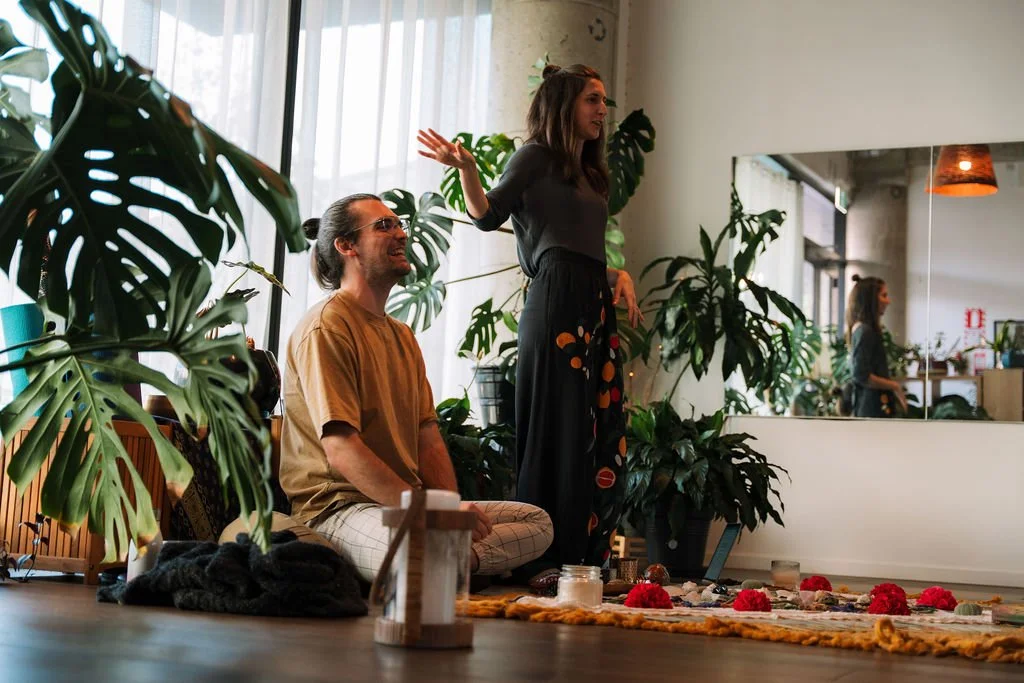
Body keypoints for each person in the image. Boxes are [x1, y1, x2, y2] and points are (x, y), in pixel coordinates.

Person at [417, 63, 642, 573]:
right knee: (559, 429)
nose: (601, 111)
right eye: (591, 99)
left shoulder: (591, 175)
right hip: (556, 305)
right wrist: (467, 170)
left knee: (600, 432)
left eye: (603, 101)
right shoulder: (535, 157)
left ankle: (583, 560)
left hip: (592, 306)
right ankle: (545, 557)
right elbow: (487, 214)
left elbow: (578, 250)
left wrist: (615, 276)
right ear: (564, 105)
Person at [279, 193, 553, 584]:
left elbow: (428, 437)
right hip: (340, 510)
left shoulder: (402, 336)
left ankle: (451, 564)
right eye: (384, 225)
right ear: (346, 246)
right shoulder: (327, 327)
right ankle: (450, 565)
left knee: (536, 521)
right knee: (417, 552)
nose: (401, 233)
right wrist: (427, 512)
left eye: (399, 224)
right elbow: (341, 448)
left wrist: (449, 509)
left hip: (405, 508)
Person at [846, 274, 907, 418]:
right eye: (884, 295)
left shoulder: (863, 329)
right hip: (872, 408)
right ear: (871, 299)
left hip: (871, 407)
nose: (888, 301)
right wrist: (894, 386)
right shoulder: (865, 331)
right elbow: (861, 375)